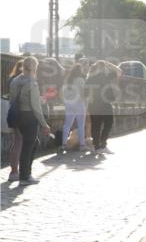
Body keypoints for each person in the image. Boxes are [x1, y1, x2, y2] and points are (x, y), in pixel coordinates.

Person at [8, 57, 52, 185]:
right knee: (28, 146)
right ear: (34, 67)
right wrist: (44, 124)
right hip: (29, 116)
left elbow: (12, 99)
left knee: (32, 143)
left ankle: (24, 173)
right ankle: (25, 176)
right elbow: (36, 107)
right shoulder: (32, 83)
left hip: (17, 115)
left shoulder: (15, 81)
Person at [85, 60, 122, 152]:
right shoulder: (105, 76)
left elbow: (85, 93)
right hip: (105, 104)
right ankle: (102, 144)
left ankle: (97, 146)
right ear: (103, 68)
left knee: (96, 126)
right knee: (108, 123)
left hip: (93, 105)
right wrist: (109, 64)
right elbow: (119, 71)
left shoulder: (90, 78)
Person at [60, 63, 88, 152]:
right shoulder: (80, 80)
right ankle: (82, 145)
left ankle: (64, 144)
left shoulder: (68, 80)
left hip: (69, 104)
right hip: (79, 103)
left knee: (67, 125)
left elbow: (62, 92)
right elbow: (82, 93)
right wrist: (86, 105)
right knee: (81, 125)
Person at [5, 61, 24, 182]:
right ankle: (15, 171)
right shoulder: (23, 81)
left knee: (15, 141)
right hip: (21, 113)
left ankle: (14, 170)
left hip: (12, 112)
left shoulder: (11, 79)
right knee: (19, 142)